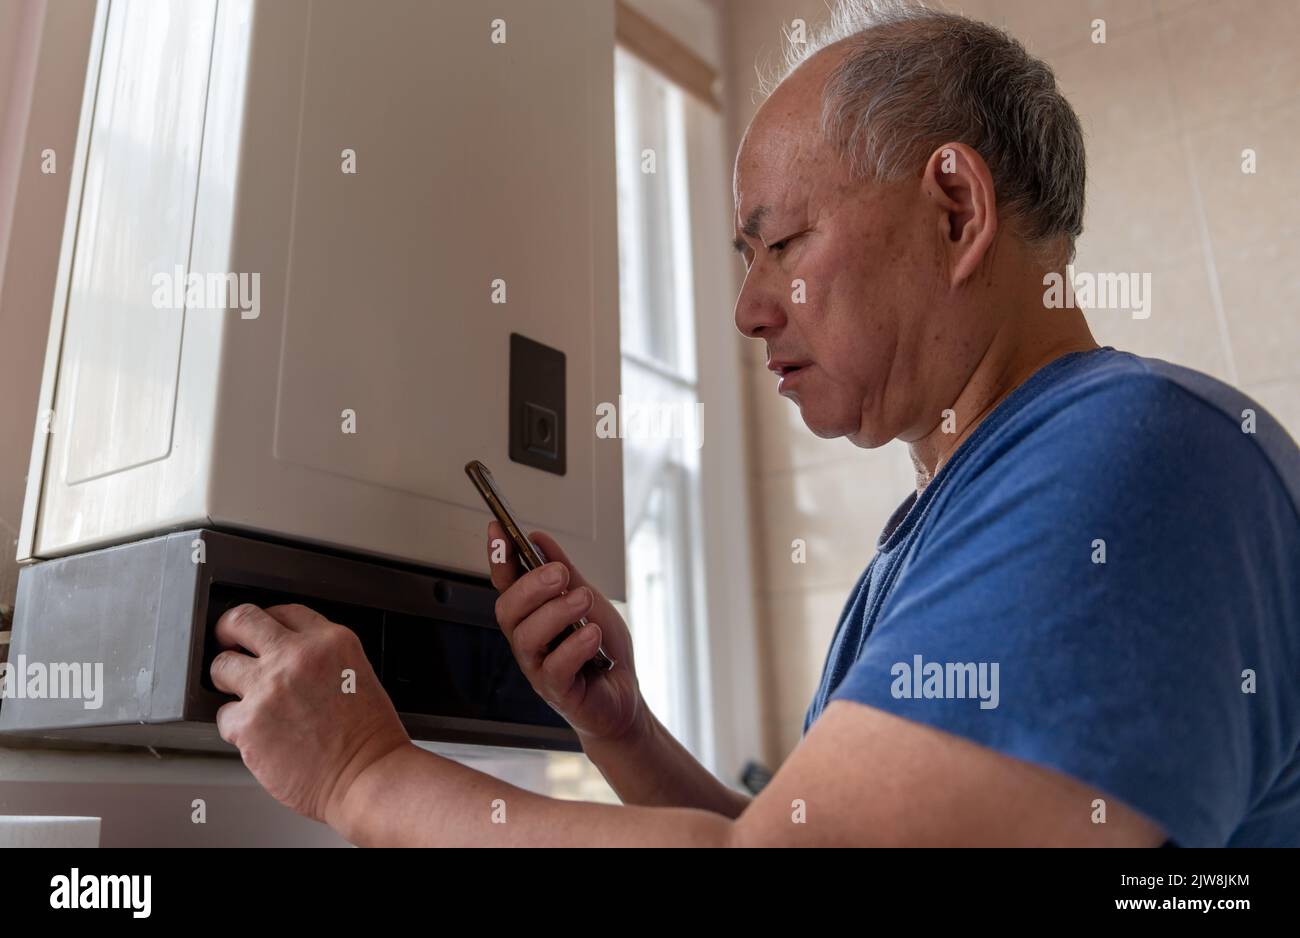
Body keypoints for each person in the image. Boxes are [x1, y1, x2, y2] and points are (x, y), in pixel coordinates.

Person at [209, 1, 1300, 846]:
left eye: (780, 245)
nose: (747, 308)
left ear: (955, 210)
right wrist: (620, 727)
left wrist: (363, 777)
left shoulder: (1129, 455)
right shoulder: (948, 523)